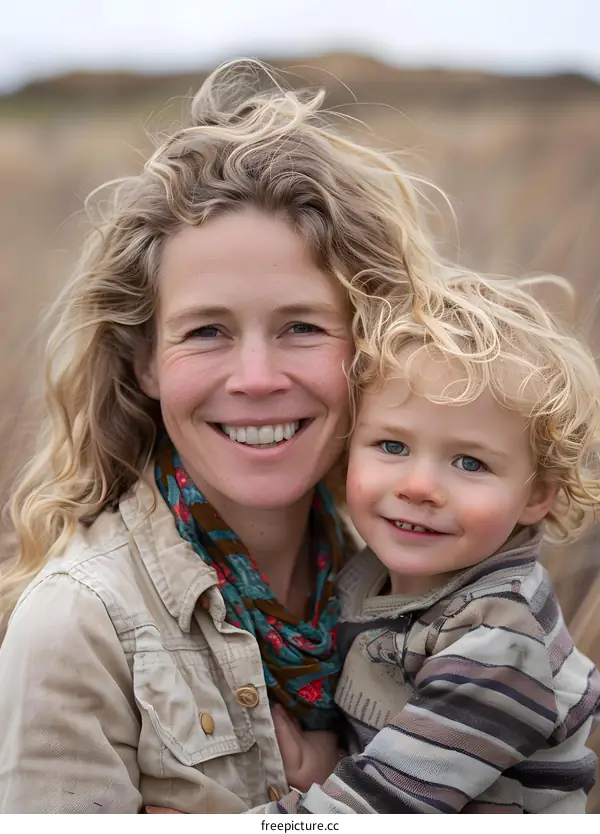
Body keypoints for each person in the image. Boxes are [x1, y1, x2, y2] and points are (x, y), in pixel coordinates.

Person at [0, 59, 454, 813]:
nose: (256, 377)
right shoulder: (80, 626)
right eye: (206, 331)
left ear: (369, 346)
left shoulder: (416, 579)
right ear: (145, 362)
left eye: (301, 327)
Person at [249, 274, 600, 814]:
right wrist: (330, 762)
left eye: (470, 462)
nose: (418, 487)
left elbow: (385, 809)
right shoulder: (369, 574)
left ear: (537, 494)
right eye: (392, 445)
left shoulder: (499, 640)